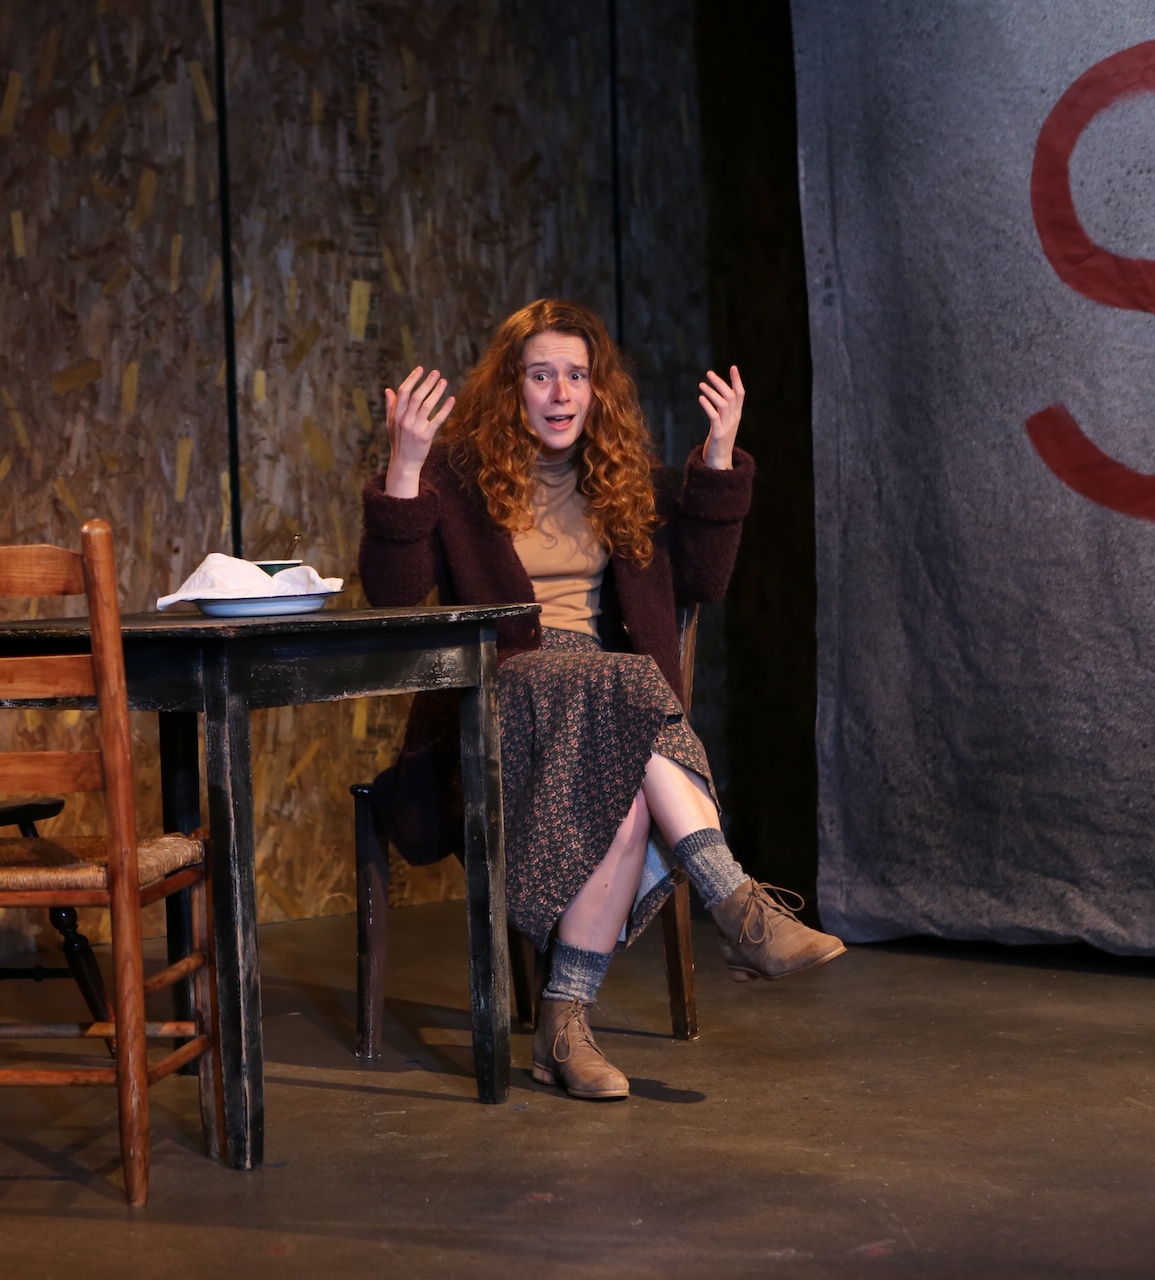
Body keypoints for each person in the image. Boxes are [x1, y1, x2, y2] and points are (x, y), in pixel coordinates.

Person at [358, 297, 843, 1101]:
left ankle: (564, 1024)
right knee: (623, 686)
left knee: (621, 779)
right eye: (540, 375)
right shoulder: (457, 477)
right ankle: (737, 902)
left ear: (597, 389)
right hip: (498, 701)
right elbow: (394, 593)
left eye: (575, 376)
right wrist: (406, 466)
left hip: (607, 707)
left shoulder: (625, 483)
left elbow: (703, 581)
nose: (559, 393)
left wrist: (719, 457)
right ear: (509, 388)